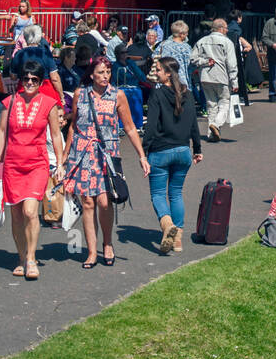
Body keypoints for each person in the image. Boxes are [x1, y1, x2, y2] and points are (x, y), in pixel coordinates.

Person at [63, 55, 150, 267]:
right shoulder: (80, 94)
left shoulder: (117, 95)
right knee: (88, 202)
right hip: (82, 153)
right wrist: (64, 155)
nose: (105, 76)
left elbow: (129, 127)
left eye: (108, 72)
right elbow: (73, 125)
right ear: (91, 74)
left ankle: (108, 243)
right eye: (101, 72)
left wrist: (141, 155)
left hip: (107, 154)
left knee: (104, 201)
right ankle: (92, 251)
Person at [0, 60, 65, 280]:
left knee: (30, 212)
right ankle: (21, 258)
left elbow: (55, 134)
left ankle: (31, 258)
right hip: (12, 164)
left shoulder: (49, 104)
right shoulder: (10, 102)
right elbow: (2, 131)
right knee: (16, 215)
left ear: (41, 82)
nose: (30, 82)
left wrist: (60, 163)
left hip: (36, 165)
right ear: (21, 81)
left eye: (34, 79)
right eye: (26, 79)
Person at [142, 56, 202, 254]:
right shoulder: (188, 94)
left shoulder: (157, 94)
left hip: (161, 150)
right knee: (176, 193)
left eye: (158, 70)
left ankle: (167, 226)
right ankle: (178, 241)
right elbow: (194, 123)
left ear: (168, 73)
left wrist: (144, 149)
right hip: (183, 150)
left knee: (158, 194)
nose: (155, 73)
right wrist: (198, 148)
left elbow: (150, 126)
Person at [191, 18, 239, 141]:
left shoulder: (201, 41)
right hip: (221, 77)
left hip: (205, 77)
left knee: (211, 105)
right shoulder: (227, 42)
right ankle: (216, 125)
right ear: (221, 28)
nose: (227, 30)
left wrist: (205, 62)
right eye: (226, 28)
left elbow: (193, 59)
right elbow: (231, 64)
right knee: (224, 103)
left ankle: (211, 134)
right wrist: (234, 81)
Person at [10, 25, 64, 104]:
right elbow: (54, 78)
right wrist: (61, 95)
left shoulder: (19, 54)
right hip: (45, 90)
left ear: (25, 37)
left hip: (24, 89)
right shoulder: (45, 53)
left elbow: (13, 77)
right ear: (39, 37)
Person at [155, 20, 194, 91]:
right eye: (186, 33)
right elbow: (191, 63)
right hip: (182, 81)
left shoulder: (163, 44)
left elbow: (154, 57)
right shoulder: (187, 47)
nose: (187, 35)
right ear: (181, 34)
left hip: (164, 79)